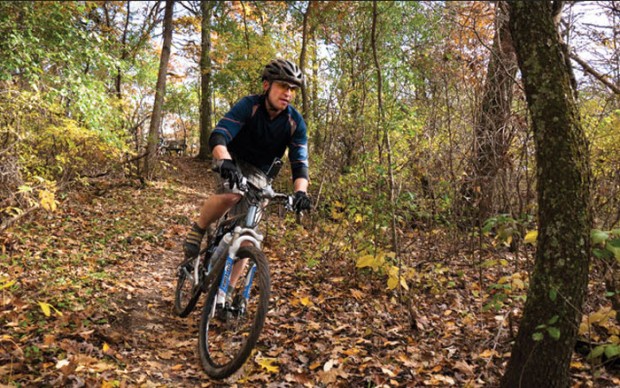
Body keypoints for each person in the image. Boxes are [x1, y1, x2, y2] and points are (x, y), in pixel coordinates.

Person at [183, 59, 312, 260]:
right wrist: (224, 161)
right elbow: (219, 135)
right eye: (282, 86)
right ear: (267, 85)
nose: (288, 93)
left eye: (292, 89)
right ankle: (198, 229)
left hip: (260, 173)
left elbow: (300, 163)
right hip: (231, 158)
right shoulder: (249, 105)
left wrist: (301, 192)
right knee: (233, 194)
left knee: (247, 236)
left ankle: (225, 291)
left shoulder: (295, 122)